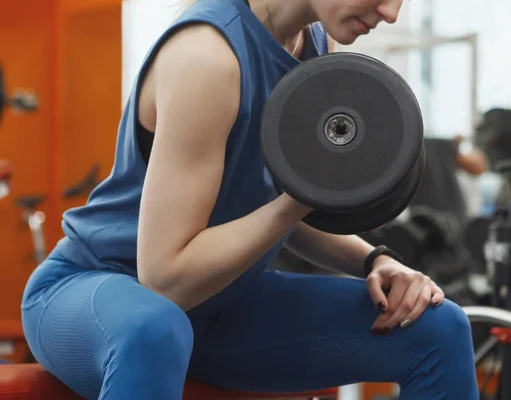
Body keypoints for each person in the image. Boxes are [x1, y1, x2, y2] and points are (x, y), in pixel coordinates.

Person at [20, 0, 479, 399]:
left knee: (437, 328)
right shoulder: (208, 57)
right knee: (156, 328)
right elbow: (165, 280)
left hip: (218, 310)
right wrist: (305, 190)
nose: (392, 13)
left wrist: (377, 261)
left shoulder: (314, 48)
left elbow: (271, 211)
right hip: (102, 295)